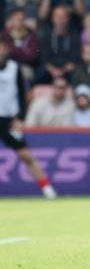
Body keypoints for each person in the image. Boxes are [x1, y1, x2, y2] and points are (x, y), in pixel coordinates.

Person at [0, 37, 56, 198]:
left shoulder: (13, 68)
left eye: (2, 47)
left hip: (8, 120)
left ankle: (47, 189)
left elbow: (21, 94)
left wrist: (20, 118)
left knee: (26, 155)